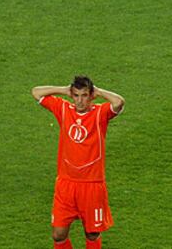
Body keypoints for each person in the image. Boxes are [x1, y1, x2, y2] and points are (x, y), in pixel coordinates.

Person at [31, 76, 125, 249]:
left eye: (84, 95)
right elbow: (36, 92)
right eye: (76, 95)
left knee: (92, 233)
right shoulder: (64, 109)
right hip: (66, 184)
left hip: (92, 184)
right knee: (58, 235)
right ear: (71, 95)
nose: (80, 100)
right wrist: (63, 90)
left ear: (91, 96)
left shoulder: (100, 113)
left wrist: (100, 92)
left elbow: (119, 102)